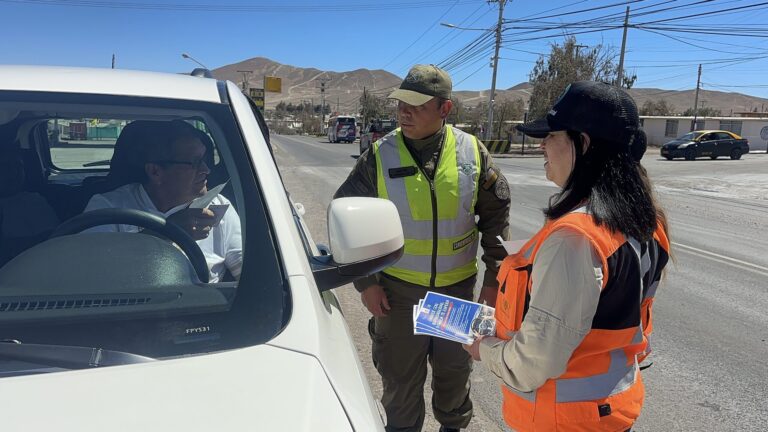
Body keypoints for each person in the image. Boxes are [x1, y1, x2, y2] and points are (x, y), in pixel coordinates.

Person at [463, 81, 671, 432]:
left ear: (584, 143)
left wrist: (482, 348)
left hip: (564, 420)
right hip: (605, 411)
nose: (541, 144)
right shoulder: (644, 220)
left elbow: (531, 363)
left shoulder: (576, 237)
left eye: (552, 135)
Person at [334, 64, 511, 432]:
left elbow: (496, 221)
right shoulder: (380, 155)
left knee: (453, 378)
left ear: (445, 109)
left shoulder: (472, 153)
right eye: (401, 103)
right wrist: (366, 283)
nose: (404, 112)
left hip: (456, 295)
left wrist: (493, 285)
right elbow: (346, 216)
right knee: (399, 385)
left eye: (416, 105)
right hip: (398, 296)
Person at [84, 120, 242, 283]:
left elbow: (250, 274)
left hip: (207, 306)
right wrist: (166, 233)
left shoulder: (219, 206)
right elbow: (90, 273)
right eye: (194, 163)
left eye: (205, 160)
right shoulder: (108, 208)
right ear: (155, 172)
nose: (206, 170)